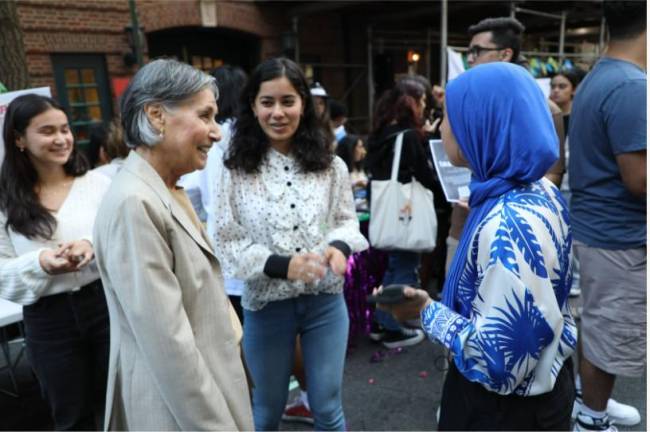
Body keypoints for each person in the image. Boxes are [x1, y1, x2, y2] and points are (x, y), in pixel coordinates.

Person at [380, 62, 576, 430]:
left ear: (483, 123)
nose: (441, 127)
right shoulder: (536, 188)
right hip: (545, 389)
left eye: (451, 116)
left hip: (505, 411)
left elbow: (501, 365)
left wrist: (426, 312)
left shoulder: (509, 222)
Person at [92, 59, 253, 430]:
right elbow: (169, 345)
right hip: (176, 411)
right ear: (156, 116)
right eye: (206, 115)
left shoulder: (163, 187)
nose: (216, 132)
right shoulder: (136, 202)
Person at [214, 57, 368, 431]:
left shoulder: (331, 166)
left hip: (325, 303)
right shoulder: (235, 170)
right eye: (268, 102)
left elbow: (347, 222)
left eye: (288, 101)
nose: (278, 112)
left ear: (304, 104)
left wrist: (339, 248)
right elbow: (225, 241)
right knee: (266, 409)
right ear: (253, 106)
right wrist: (283, 265)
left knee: (328, 407)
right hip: (267, 307)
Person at [0, 94, 111, 430]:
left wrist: (91, 244)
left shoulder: (98, 184)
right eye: (47, 131)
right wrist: (41, 263)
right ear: (19, 139)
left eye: (65, 129)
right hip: (48, 320)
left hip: (106, 306)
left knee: (120, 406)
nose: (62, 138)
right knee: (71, 416)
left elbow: (126, 243)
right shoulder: (6, 201)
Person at [569, 2, 646, 430]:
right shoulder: (632, 85)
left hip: (600, 230)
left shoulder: (604, 74)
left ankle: (591, 404)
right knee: (609, 333)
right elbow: (640, 180)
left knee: (599, 328)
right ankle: (591, 420)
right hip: (617, 236)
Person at [446, 16, 566, 275]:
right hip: (471, 214)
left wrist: (514, 197)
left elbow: (554, 170)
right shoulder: (471, 101)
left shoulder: (543, 108)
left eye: (478, 51)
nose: (471, 59)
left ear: (505, 54)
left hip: (505, 221)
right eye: (468, 52)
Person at [365, 79, 436, 348]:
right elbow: (425, 176)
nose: (424, 108)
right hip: (406, 211)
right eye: (422, 103)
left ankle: (382, 321)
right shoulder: (409, 136)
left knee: (395, 264)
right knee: (405, 266)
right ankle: (392, 326)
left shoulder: (382, 133)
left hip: (387, 209)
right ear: (411, 103)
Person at [177, 64, 248, 320]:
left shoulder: (204, 140)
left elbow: (188, 192)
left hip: (222, 255)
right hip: (260, 257)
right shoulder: (255, 137)